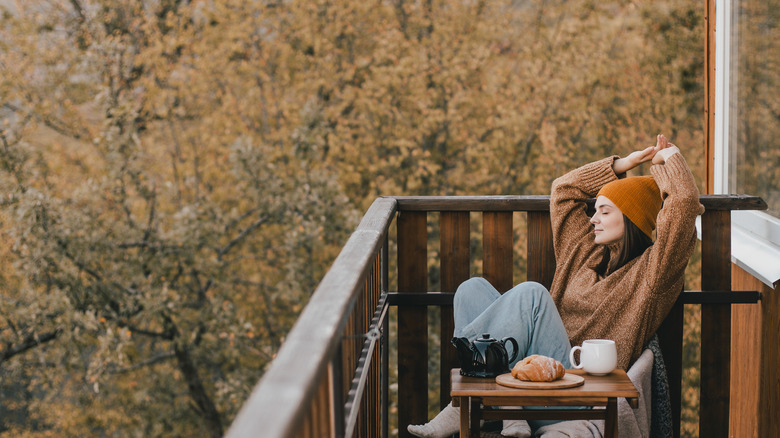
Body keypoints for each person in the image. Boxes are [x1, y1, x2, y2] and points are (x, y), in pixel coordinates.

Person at [408, 134, 704, 438]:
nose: (593, 220)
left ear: (631, 221)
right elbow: (564, 190)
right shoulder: (582, 252)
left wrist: (670, 158)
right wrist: (622, 164)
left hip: (575, 393)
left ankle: (467, 403)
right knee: (471, 289)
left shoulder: (651, 276)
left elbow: (682, 206)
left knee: (533, 295)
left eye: (605, 211)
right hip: (535, 376)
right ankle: (504, 409)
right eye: (595, 210)